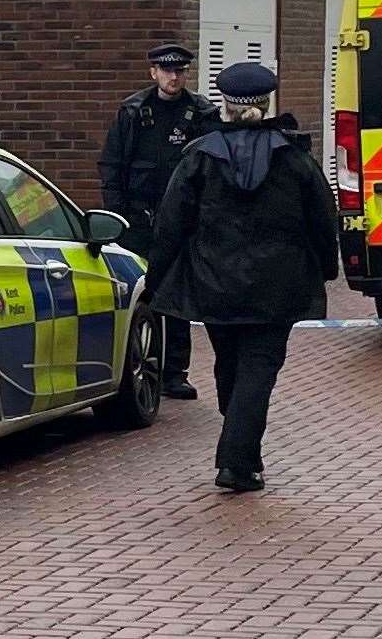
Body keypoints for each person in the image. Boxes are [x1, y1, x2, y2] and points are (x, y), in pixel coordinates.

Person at [145, 62, 339, 492]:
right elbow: (324, 219)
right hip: (279, 283)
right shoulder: (294, 158)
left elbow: (171, 223)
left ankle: (240, 451)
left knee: (229, 363)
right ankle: (236, 461)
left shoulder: (199, 157)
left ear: (226, 106)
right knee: (259, 368)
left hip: (214, 281)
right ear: (267, 103)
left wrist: (156, 277)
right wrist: (325, 267)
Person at [98, 42, 219, 400]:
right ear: (153, 73)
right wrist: (120, 216)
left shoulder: (201, 113)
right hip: (140, 221)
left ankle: (174, 373)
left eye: (179, 70)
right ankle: (138, 367)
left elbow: (214, 169)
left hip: (183, 222)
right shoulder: (134, 112)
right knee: (143, 295)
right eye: (166, 70)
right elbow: (112, 166)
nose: (173, 76)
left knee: (178, 296)